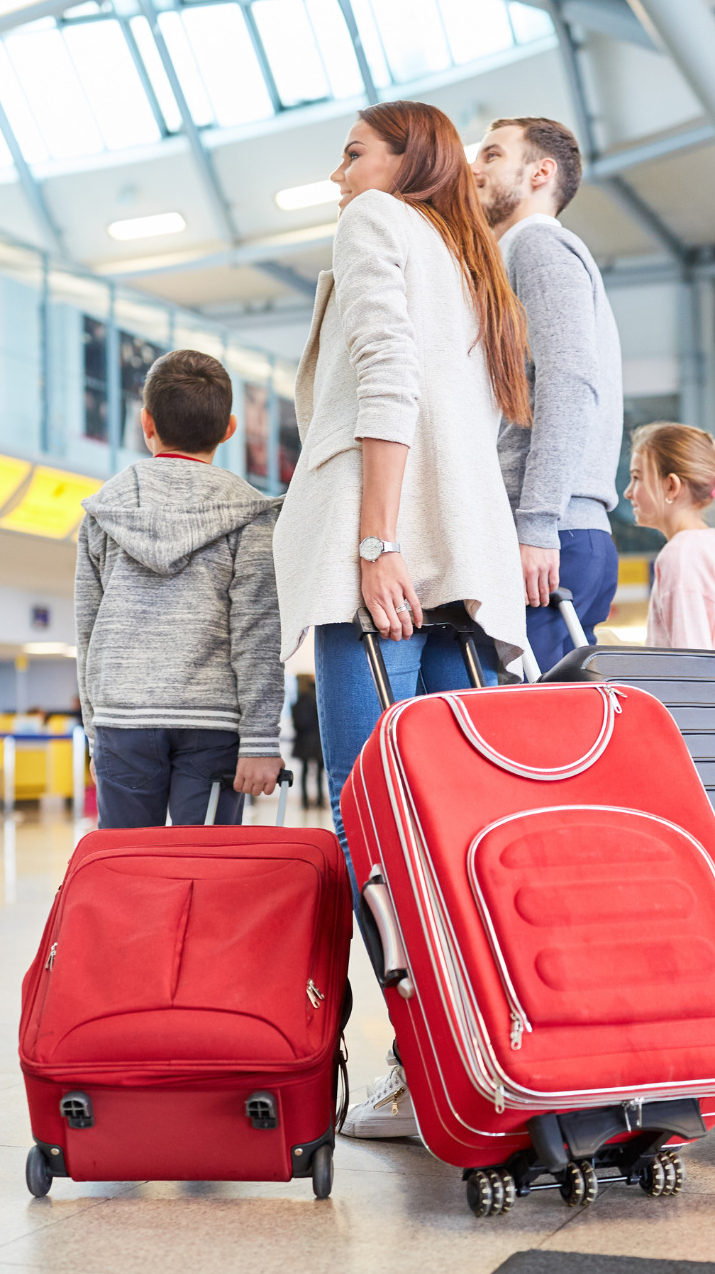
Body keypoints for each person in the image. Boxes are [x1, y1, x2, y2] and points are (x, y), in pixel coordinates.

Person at [271, 99, 530, 1140]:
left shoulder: (377, 224)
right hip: (463, 560)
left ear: (403, 160)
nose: (339, 177)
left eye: (351, 155)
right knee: (455, 821)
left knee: (369, 819)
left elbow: (383, 380)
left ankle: (418, 1067)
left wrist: (375, 543)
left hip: (392, 557)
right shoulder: (463, 258)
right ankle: (484, 1053)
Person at [74, 349, 285, 828]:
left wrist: (95, 730)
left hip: (121, 720)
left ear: (146, 422)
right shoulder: (250, 516)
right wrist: (259, 739)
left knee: (127, 870)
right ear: (229, 429)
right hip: (213, 724)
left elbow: (87, 632)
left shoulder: (104, 513)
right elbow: (258, 635)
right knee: (205, 871)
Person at [470, 118, 624, 670]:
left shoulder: (535, 245)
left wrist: (536, 523)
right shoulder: (521, 250)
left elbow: (568, 379)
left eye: (491, 154)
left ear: (540, 172)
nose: (473, 167)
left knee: (532, 743)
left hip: (550, 532)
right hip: (561, 529)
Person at [624, 422, 715, 653]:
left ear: (671, 486)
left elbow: (689, 667)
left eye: (637, 477)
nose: (628, 492)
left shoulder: (682, 554)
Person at [290, 674, 325, 807]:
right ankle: (320, 801)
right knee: (319, 774)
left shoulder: (299, 701)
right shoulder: (318, 698)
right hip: (318, 741)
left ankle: (305, 801)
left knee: (304, 772)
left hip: (304, 741)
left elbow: (298, 723)